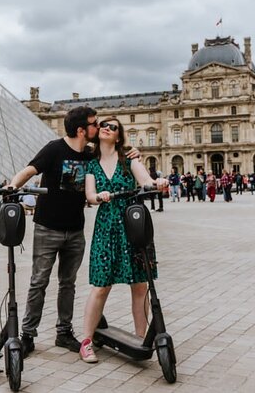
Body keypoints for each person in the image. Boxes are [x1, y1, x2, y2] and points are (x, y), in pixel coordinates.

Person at [8, 107, 139, 357]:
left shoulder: (91, 155)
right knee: (39, 282)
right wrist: (12, 187)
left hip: (75, 230)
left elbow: (117, 154)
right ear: (82, 130)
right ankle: (28, 334)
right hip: (47, 227)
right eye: (94, 124)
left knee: (68, 284)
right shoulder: (53, 149)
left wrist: (134, 151)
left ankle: (64, 332)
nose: (98, 127)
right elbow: (29, 170)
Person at [79, 117, 167, 363]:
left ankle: (141, 338)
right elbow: (90, 196)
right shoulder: (92, 165)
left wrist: (157, 182)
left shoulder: (130, 158)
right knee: (101, 285)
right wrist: (99, 196)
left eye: (113, 127)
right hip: (106, 227)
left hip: (133, 224)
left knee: (140, 284)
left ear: (119, 135)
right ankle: (85, 341)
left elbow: (146, 181)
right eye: (104, 125)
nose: (107, 128)